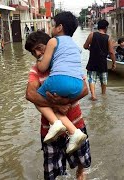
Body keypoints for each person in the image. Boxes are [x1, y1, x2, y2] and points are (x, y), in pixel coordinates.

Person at [25, 31, 91, 180]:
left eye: (39, 48)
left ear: (49, 45)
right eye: (33, 52)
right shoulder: (36, 69)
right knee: (52, 174)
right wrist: (57, 105)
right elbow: (30, 94)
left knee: (81, 166)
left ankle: (80, 173)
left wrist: (63, 102)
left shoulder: (67, 62)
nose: (37, 53)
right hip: (50, 131)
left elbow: (85, 89)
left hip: (75, 123)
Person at [35, 11, 87, 154]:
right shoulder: (75, 46)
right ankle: (73, 132)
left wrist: (39, 62)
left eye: (53, 25)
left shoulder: (53, 41)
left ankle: (56, 123)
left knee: (38, 98)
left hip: (59, 80)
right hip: (77, 84)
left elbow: (43, 67)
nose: (51, 28)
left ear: (59, 28)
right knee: (57, 106)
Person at [83, 19, 116, 101]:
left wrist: (92, 49)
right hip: (102, 62)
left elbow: (85, 46)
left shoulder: (92, 35)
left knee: (92, 79)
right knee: (103, 80)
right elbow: (111, 52)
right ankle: (103, 94)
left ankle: (93, 95)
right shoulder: (108, 38)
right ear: (106, 28)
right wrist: (114, 63)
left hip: (92, 61)